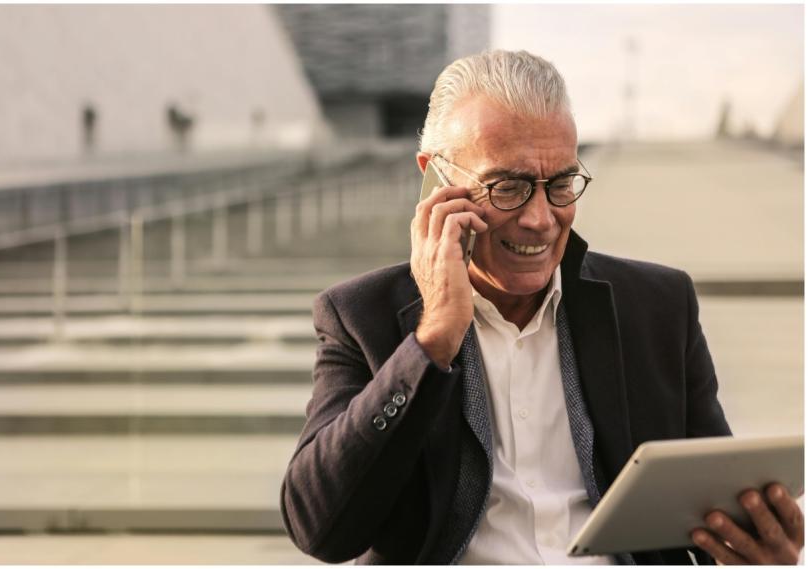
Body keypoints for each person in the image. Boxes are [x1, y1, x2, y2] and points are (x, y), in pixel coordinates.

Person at [279, 50, 803, 565]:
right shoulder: (360, 315)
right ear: (435, 179)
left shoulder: (659, 306)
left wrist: (758, 550)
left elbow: (713, 505)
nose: (539, 218)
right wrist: (432, 339)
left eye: (559, 185)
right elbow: (320, 529)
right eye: (508, 187)